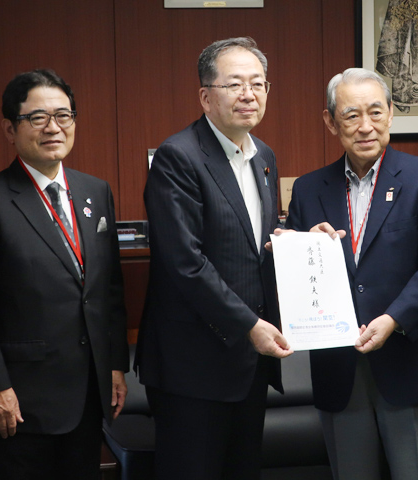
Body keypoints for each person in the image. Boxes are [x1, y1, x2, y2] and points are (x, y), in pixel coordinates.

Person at [284, 67, 418, 480]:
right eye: (351, 115)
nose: (366, 126)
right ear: (331, 122)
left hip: (410, 359)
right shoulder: (309, 190)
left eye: (375, 112)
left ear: (392, 114)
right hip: (339, 369)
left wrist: (392, 319)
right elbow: (296, 275)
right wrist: (301, 244)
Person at [135, 37, 292, 480]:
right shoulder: (178, 157)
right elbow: (184, 262)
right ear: (205, 96)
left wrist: (300, 243)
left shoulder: (264, 156)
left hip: (249, 361)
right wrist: (250, 325)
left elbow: (250, 243)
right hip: (194, 365)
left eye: (258, 84)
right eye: (235, 84)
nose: (249, 94)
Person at [0, 69, 129, 480]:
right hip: (20, 401)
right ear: (10, 128)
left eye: (64, 115)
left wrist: (113, 365)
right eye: (38, 117)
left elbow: (108, 289)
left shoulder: (96, 191)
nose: (54, 127)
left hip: (88, 395)